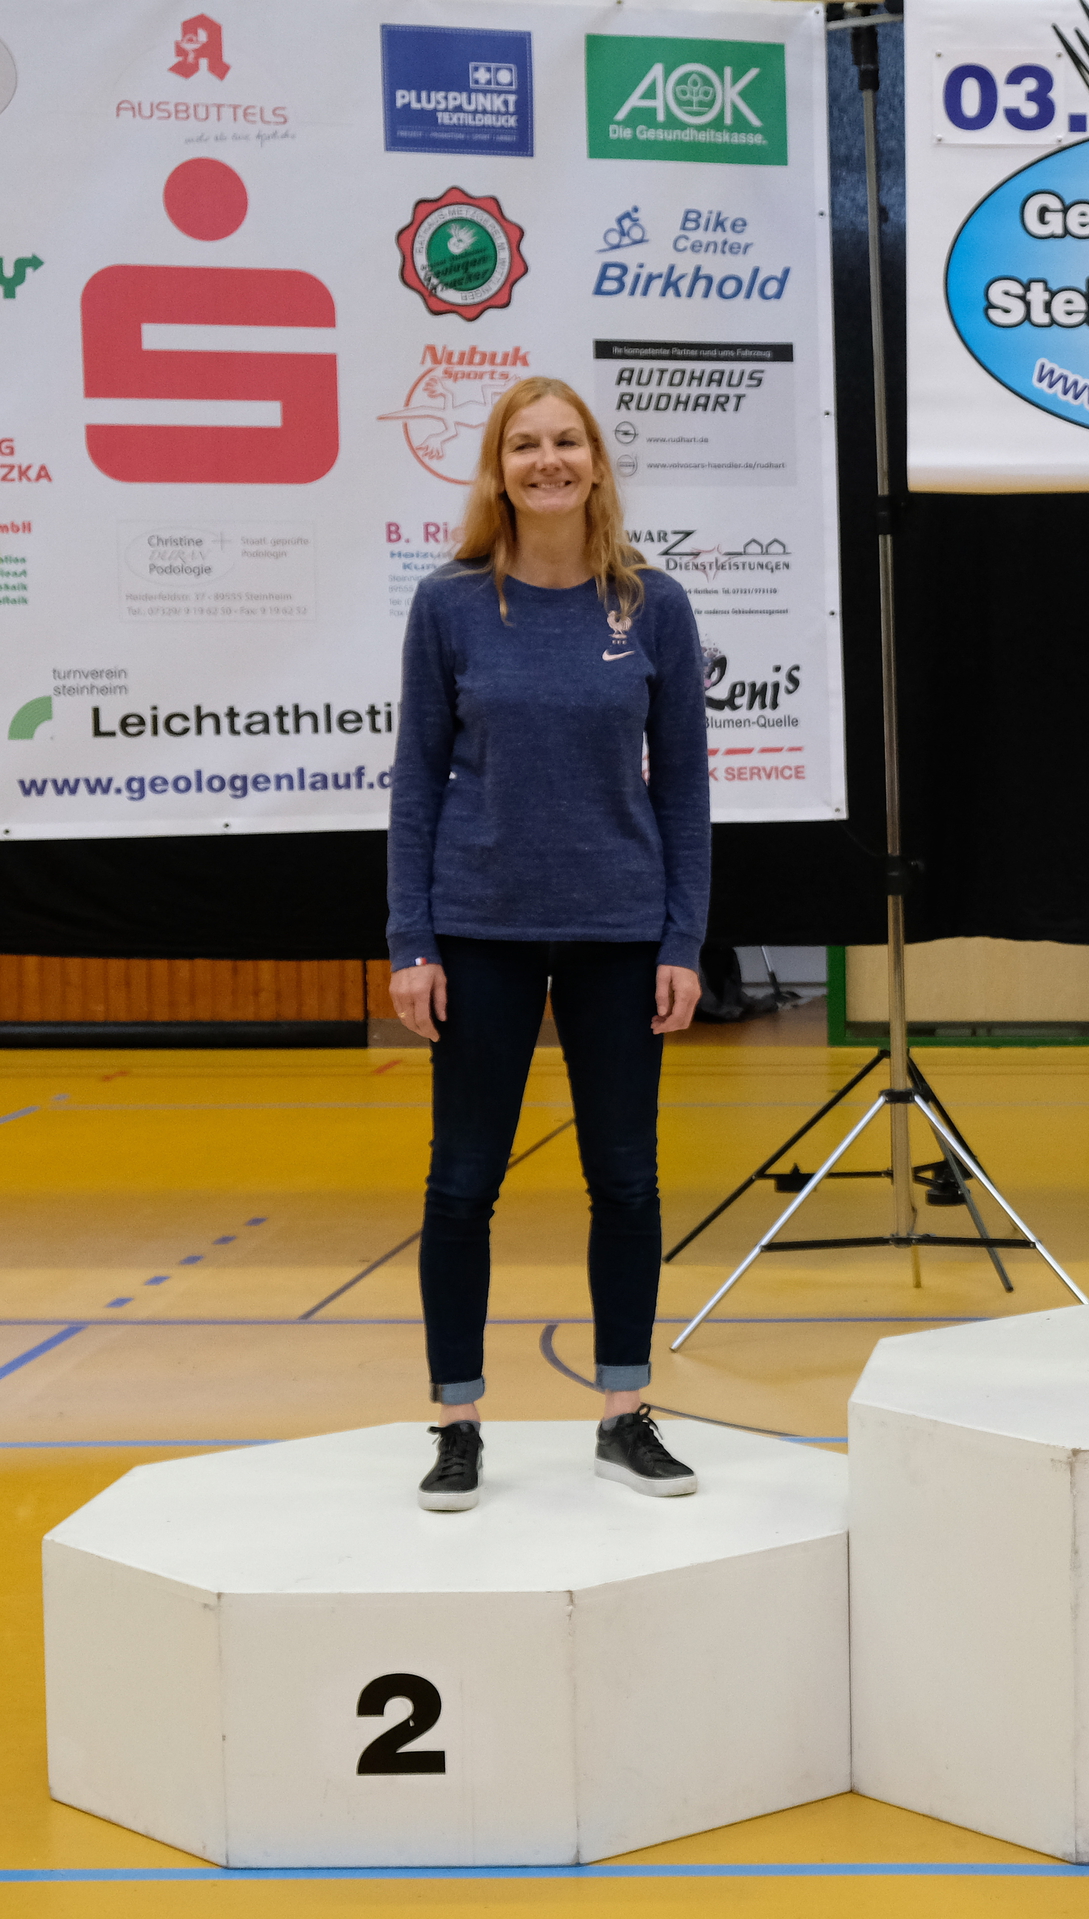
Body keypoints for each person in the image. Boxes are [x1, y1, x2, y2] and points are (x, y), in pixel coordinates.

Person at [386, 376, 710, 1511]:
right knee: (462, 1183)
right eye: (524, 444)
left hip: (622, 932)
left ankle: (624, 1412)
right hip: (480, 928)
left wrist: (682, 937)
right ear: (499, 470)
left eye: (567, 440)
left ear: (596, 463)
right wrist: (411, 938)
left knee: (625, 1178)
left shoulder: (654, 605)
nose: (548, 460)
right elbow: (416, 780)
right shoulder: (451, 604)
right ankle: (457, 1420)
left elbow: (685, 791)